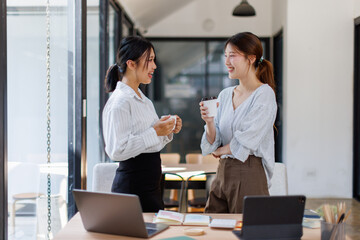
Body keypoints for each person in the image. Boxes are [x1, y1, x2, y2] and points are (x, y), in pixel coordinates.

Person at [102, 36, 182, 212]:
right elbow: (117, 150)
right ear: (131, 64)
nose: (154, 66)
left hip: (151, 186)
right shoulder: (120, 103)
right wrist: (155, 131)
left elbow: (152, 143)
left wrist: (167, 130)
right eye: (150, 60)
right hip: (132, 188)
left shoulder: (144, 100)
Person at [199, 32, 277, 213]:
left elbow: (247, 139)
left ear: (251, 58)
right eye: (225, 56)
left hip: (249, 171)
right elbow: (214, 138)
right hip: (222, 171)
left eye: (232, 55)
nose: (227, 61)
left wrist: (219, 150)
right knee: (214, 227)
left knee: (247, 232)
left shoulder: (264, 94)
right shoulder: (225, 94)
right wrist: (209, 122)